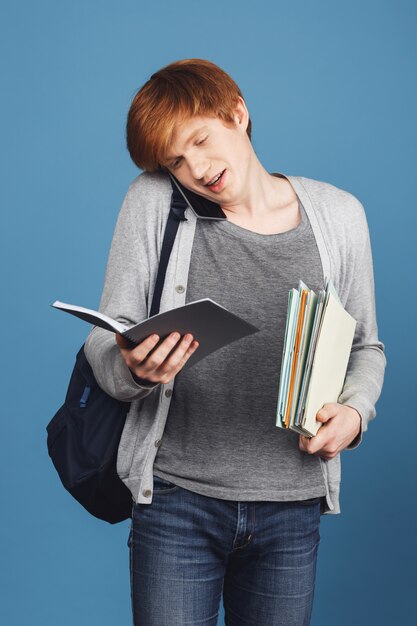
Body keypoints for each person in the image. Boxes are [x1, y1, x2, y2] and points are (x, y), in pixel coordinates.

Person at [84, 58, 386, 626]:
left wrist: (354, 413)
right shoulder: (154, 203)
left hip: (292, 507)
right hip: (177, 501)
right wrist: (134, 370)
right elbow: (107, 342)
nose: (196, 167)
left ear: (238, 114)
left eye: (200, 140)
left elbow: (366, 347)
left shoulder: (341, 216)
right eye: (175, 160)